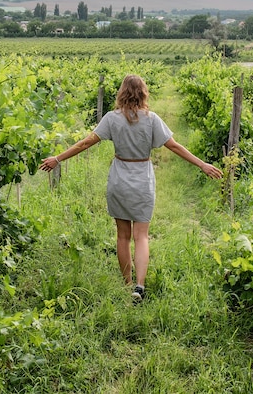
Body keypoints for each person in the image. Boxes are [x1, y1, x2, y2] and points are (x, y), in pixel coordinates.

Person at [39, 74, 222, 302]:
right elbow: (174, 146)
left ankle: (127, 284)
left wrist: (57, 158)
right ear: (144, 92)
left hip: (119, 179)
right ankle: (140, 285)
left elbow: (86, 142)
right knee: (142, 236)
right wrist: (202, 164)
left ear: (121, 93)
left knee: (122, 236)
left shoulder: (111, 119)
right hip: (142, 179)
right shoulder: (152, 119)